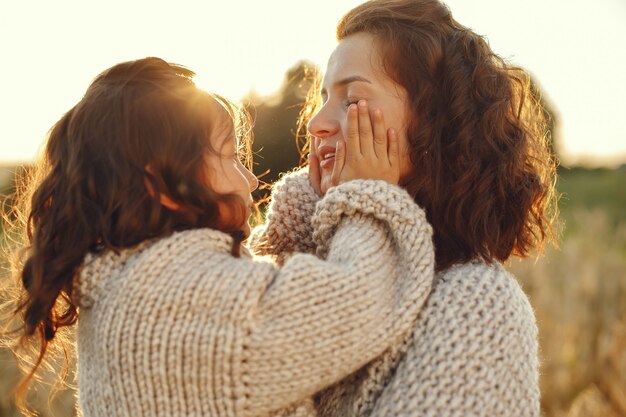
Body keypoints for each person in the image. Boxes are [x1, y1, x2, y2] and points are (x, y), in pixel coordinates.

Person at [2, 57, 436, 417]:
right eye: (229, 156)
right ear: (160, 184)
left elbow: (266, 284)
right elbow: (358, 303)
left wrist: (312, 192)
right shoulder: (179, 297)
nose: (249, 179)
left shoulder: (132, 280)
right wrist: (366, 192)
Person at [252, 0, 558, 416]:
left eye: (352, 98)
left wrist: (366, 204)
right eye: (324, 97)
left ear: (434, 125)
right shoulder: (271, 261)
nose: (316, 122)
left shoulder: (477, 306)